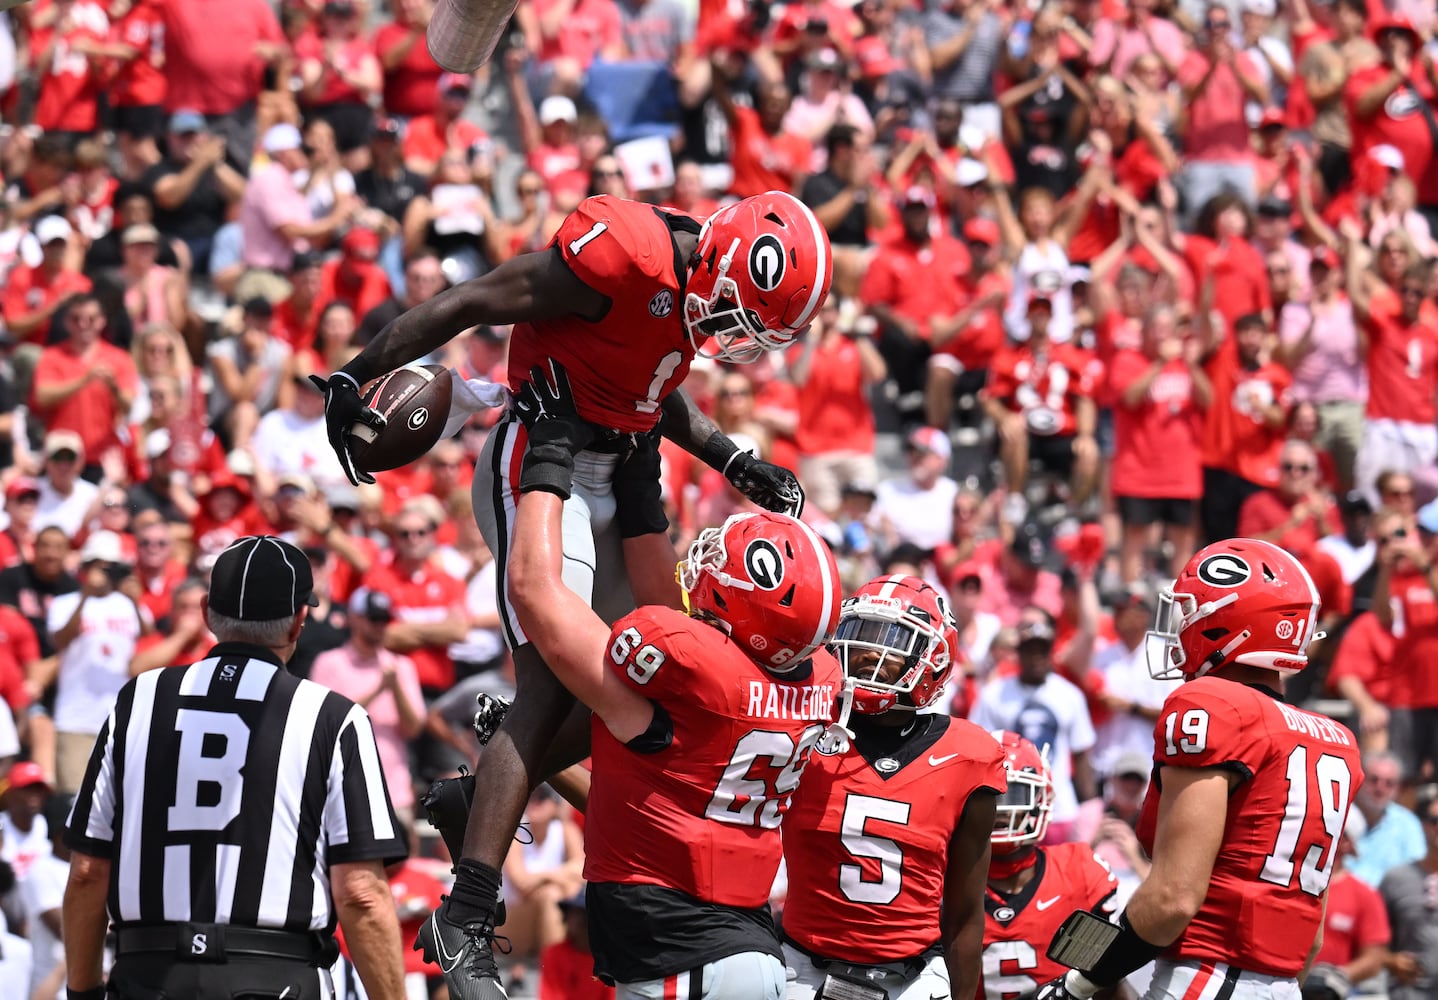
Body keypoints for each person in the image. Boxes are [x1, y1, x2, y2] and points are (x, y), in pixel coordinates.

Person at [311, 190, 833, 997]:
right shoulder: (624, 252)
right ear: (719, 258)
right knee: (557, 674)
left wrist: (731, 458)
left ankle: (472, 797)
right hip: (540, 454)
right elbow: (476, 298)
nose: (725, 335)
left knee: (651, 676)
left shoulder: (681, 294)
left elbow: (648, 381)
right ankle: (469, 912)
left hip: (618, 469)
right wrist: (357, 370)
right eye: (731, 313)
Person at [482, 451, 842, 1000]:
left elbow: (534, 590)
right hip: (736, 947)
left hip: (684, 956)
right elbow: (638, 807)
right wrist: (639, 480)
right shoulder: (812, 680)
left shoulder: (695, 670)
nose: (704, 566)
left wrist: (548, 462)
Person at [61, 535, 408, 1000]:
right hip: (275, 976)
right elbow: (361, 893)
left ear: (206, 612)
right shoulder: (332, 716)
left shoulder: (139, 699)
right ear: (299, 622)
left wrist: (83, 992)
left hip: (147, 974)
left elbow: (87, 870)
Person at [1026, 537, 1364, 1000]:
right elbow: (1313, 936)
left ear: (1234, 622)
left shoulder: (1213, 704)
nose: (1181, 625)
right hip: (1284, 985)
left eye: (1192, 611)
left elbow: (1173, 897)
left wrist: (1080, 980)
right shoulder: (1336, 738)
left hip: (1206, 978)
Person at [780, 574, 1006, 1000]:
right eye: (858, 633)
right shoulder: (804, 726)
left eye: (890, 637)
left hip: (914, 979)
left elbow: (964, 913)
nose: (867, 650)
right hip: (802, 967)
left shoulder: (969, 754)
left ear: (933, 655)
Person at [981, 733, 1120, 1000]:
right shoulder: (939, 878)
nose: (998, 809)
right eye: (986, 796)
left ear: (1039, 799)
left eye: (1012, 794)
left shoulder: (1079, 870)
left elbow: (1107, 981)